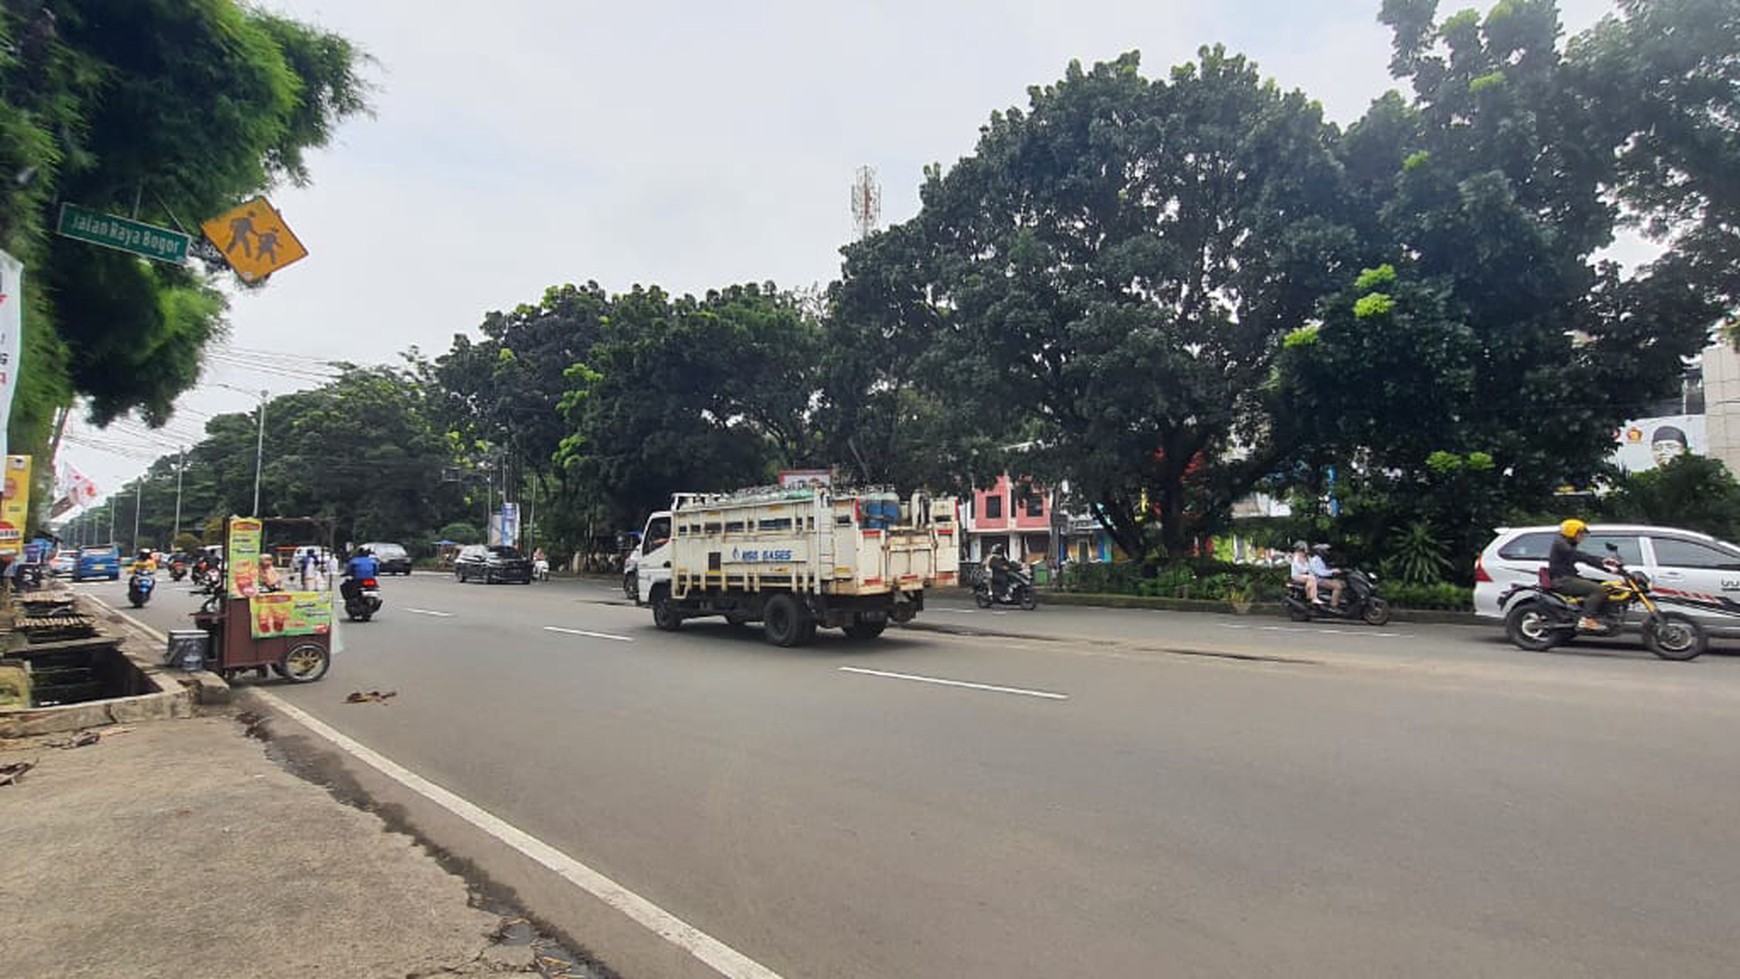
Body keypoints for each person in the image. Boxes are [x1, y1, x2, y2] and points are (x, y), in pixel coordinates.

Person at [1549, 518, 1619, 631]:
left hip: (1568, 577)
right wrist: (1604, 565)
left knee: (1607, 586)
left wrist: (1604, 562)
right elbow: (1581, 556)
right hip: (1562, 580)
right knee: (1598, 589)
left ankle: (1603, 616)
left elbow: (1583, 557)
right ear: (1571, 532)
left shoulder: (1567, 544)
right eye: (1580, 534)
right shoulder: (1561, 545)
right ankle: (1586, 620)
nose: (1582, 537)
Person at [1309, 543, 1346, 608]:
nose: (1327, 552)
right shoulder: (1315, 560)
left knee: (1344, 583)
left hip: (1324, 579)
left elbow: (1327, 568)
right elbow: (1320, 572)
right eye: (1325, 551)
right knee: (1338, 586)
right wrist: (1332, 571)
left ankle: (1340, 600)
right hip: (1318, 580)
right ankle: (1333, 605)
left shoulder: (1321, 559)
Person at [1288, 540, 1320, 605]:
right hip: (1296, 575)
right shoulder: (1296, 557)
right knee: (1311, 578)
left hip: (1305, 575)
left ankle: (1308, 594)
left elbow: (1311, 567)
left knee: (1313, 578)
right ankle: (1313, 598)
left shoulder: (1306, 558)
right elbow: (1300, 568)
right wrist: (1307, 570)